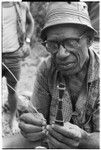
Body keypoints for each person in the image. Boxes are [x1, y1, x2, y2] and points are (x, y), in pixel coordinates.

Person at [3, 2, 99, 149]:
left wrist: (85, 140)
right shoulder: (47, 69)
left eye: (72, 42)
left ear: (90, 40)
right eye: (52, 44)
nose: (61, 54)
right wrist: (31, 127)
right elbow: (37, 129)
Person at [2, 2, 34, 132]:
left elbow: (31, 22)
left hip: (14, 55)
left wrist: (27, 41)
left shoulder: (21, 5)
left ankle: (12, 119)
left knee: (12, 89)